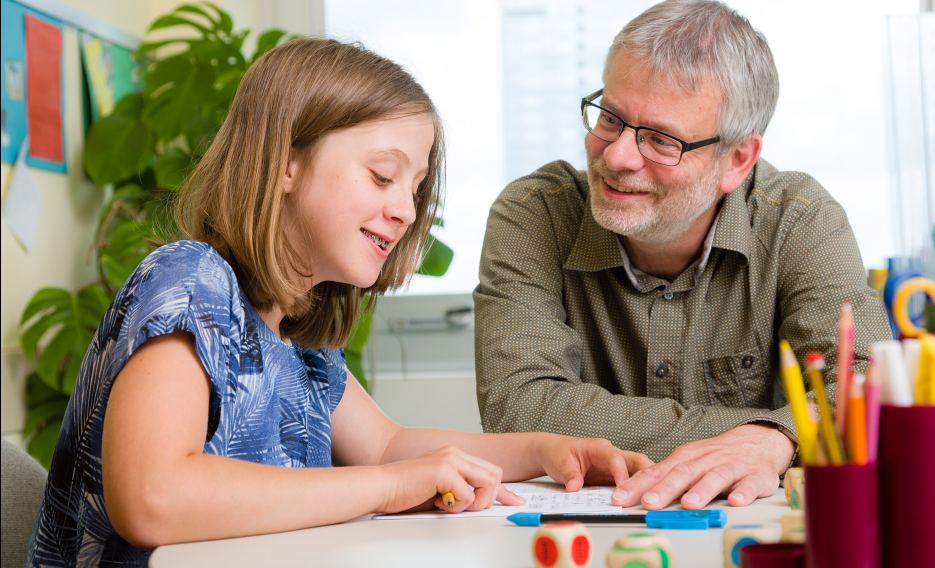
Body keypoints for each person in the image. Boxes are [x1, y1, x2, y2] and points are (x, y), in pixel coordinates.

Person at [26, 38, 651, 566]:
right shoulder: (191, 284)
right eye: (382, 176)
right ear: (285, 163)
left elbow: (387, 445)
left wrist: (545, 451)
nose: (406, 210)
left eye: (415, 186)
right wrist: (389, 487)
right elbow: (152, 497)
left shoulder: (300, 335)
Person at [474, 0, 891, 512]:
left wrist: (773, 440)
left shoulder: (799, 219)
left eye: (661, 140)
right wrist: (774, 431)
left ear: (736, 160)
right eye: (610, 117)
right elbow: (518, 407)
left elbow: (868, 387)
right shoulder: (533, 214)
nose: (617, 157)